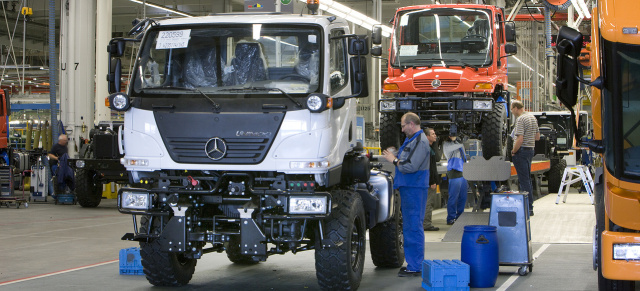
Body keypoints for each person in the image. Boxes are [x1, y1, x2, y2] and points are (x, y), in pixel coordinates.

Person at [382, 112, 430, 277]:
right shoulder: (412, 140)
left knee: (413, 226)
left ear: (411, 124)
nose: (402, 130)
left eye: (403, 126)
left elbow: (409, 166)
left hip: (414, 187)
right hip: (409, 187)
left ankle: (416, 266)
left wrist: (393, 160)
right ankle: (413, 263)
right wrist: (394, 154)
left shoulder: (420, 141)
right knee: (410, 226)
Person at [510, 100, 540, 216]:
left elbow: (520, 139)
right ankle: (529, 207)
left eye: (512, 109)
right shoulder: (532, 117)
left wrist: (513, 151)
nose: (512, 111)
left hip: (521, 152)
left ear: (516, 108)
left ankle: (528, 208)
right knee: (527, 179)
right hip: (530, 150)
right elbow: (537, 137)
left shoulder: (521, 119)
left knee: (523, 181)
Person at [443, 135, 468, 225]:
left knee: (463, 197)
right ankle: (450, 218)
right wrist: (460, 142)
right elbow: (458, 146)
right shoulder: (446, 145)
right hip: (454, 172)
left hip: (463, 172)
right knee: (453, 197)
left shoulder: (458, 143)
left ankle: (460, 217)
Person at [423, 128, 441, 231]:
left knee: (427, 203)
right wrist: (432, 181)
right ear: (427, 136)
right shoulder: (426, 149)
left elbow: (437, 159)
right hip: (429, 182)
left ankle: (425, 223)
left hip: (429, 181)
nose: (435, 136)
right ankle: (426, 224)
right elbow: (429, 167)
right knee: (428, 203)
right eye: (433, 134)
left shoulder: (430, 148)